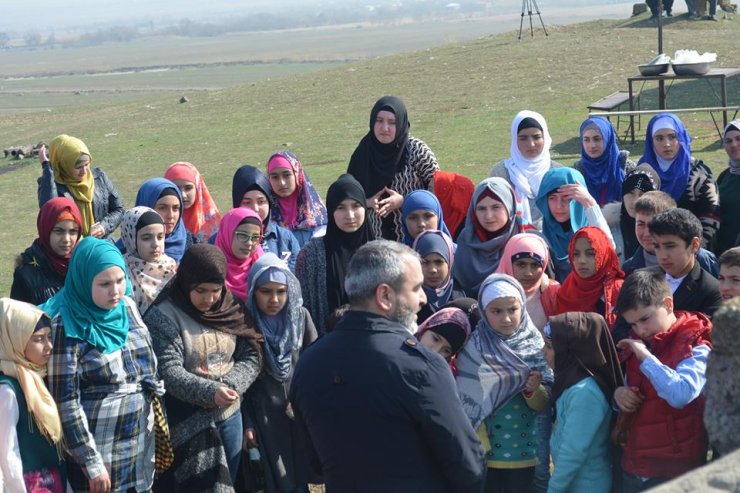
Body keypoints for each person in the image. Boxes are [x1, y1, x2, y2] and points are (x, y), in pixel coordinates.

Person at [289, 240, 486, 492]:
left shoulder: (309, 363)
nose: (424, 299)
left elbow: (316, 463)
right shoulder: (421, 367)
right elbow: (468, 466)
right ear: (385, 295)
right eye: (416, 288)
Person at [44, 236, 163, 493]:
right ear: (84, 282)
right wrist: (91, 461)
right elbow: (65, 400)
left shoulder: (127, 307)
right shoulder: (66, 325)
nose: (116, 291)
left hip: (139, 440)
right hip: (100, 449)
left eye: (120, 281)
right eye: (105, 284)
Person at [143, 244, 262, 490]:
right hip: (186, 422)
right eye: (200, 291)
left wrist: (229, 386)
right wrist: (210, 392)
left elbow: (251, 353)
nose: (209, 299)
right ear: (186, 283)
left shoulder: (232, 310)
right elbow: (168, 370)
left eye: (215, 290)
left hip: (229, 416)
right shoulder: (164, 315)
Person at [614, 269, 712, 491]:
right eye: (633, 324)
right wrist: (619, 395)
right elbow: (631, 387)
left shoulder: (695, 342)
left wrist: (646, 357)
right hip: (636, 462)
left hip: (676, 468)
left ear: (668, 304)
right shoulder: (638, 342)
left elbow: (682, 394)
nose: (640, 329)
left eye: (645, 319)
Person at [456, 273, 552, 493]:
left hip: (523, 451)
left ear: (523, 308)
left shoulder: (534, 345)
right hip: (484, 452)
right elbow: (466, 401)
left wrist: (532, 389)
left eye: (512, 310)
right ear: (483, 310)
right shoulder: (474, 348)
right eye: (496, 311)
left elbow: (541, 404)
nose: (506, 318)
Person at [242, 253, 319, 492]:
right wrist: (246, 422)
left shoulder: (300, 317)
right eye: (265, 291)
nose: (274, 299)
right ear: (253, 290)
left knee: (302, 475)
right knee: (275, 478)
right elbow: (239, 381)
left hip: (296, 412)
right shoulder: (245, 324)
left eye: (281, 291)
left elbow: (314, 364)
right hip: (263, 416)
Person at [542, 312, 623, 493]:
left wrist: (553, 489)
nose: (543, 352)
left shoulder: (585, 393)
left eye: (549, 346)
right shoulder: (571, 381)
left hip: (586, 485)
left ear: (571, 350)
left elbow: (573, 453)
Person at [347, 95, 439, 241]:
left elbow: (440, 190)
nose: (385, 128)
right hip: (376, 241)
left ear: (401, 123)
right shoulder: (363, 153)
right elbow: (348, 196)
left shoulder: (417, 151)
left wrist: (405, 201)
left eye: (392, 122)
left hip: (417, 238)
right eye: (379, 121)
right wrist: (367, 202)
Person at [0, 298, 65, 493]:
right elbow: (7, 454)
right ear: (14, 341)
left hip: (51, 482)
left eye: (49, 337)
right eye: (38, 339)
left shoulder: (37, 377)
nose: (49, 346)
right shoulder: (7, 390)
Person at [296, 174, 373, 335]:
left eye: (356, 206)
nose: (350, 215)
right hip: (328, 345)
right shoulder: (312, 254)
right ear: (330, 211)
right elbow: (306, 311)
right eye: (341, 207)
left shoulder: (382, 253)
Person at [638, 113, 719, 248]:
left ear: (681, 137)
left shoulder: (699, 173)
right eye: (659, 138)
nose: (667, 144)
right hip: (647, 254)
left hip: (690, 255)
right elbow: (632, 215)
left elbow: (711, 217)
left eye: (672, 137)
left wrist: (693, 252)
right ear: (651, 141)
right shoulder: (641, 173)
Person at [453, 177, 530, 298]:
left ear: (509, 207)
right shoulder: (466, 239)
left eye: (496, 207)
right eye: (481, 209)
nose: (488, 216)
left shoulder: (528, 240)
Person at [37, 134, 124, 238]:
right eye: (78, 167)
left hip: (103, 245)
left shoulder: (99, 177)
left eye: (87, 164)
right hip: (72, 250)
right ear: (64, 164)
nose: (84, 171)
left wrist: (104, 226)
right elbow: (49, 212)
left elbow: (119, 209)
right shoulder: (51, 185)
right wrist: (47, 168)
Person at [535, 167, 614, 282]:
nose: (559, 206)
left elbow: (609, 252)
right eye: (552, 198)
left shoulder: (593, 228)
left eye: (566, 198)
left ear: (578, 200)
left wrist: (590, 203)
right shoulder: (539, 236)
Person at [489, 110, 562, 226]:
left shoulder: (558, 172)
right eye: (523, 138)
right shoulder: (501, 172)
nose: (531, 144)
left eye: (536, 137)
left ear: (545, 137)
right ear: (515, 140)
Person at [621, 191, 718, 277]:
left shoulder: (702, 259)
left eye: (653, 225)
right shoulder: (629, 269)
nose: (647, 233)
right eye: (641, 224)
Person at [649, 208, 722, 318]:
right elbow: (622, 326)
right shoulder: (639, 279)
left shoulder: (712, 291)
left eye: (670, 246)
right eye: (656, 246)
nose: (663, 255)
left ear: (694, 245)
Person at [11, 197, 83, 305]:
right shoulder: (26, 274)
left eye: (73, 232)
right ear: (45, 230)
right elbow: (17, 319)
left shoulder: (85, 264)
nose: (66, 239)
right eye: (59, 231)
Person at [231, 165, 300, 271]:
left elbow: (294, 280)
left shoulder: (285, 239)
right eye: (247, 202)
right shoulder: (223, 240)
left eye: (261, 201)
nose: (255, 208)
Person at [555, 226, 625, 330]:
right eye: (576, 254)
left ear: (603, 254)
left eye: (591, 254)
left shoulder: (619, 290)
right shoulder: (566, 292)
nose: (582, 261)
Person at [495, 232, 560, 332]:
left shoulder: (552, 292)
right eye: (521, 265)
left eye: (535, 265)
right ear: (508, 262)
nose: (528, 273)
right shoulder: (493, 293)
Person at [119, 206, 177, 315]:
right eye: (146, 238)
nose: (155, 244)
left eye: (160, 237)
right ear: (131, 238)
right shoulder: (122, 271)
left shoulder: (170, 266)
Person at [266, 151, 328, 247]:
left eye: (287, 175)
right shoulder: (265, 216)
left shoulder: (317, 216)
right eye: (275, 177)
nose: (281, 183)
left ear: (297, 174)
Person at [572, 115, 635, 207]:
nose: (592, 145)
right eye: (586, 140)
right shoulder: (577, 171)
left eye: (597, 139)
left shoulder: (627, 167)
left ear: (607, 138)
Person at [130, 177, 189, 263]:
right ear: (146, 206)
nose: (171, 215)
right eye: (162, 208)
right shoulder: (120, 257)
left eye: (176, 208)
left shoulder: (190, 245)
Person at [164, 161, 222, 243]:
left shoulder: (213, 224)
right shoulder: (162, 223)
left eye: (188, 188)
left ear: (197, 189)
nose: (183, 195)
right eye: (176, 188)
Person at [215, 207, 265, 302]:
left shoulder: (262, 269)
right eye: (242, 235)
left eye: (255, 237)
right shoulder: (210, 267)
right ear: (227, 233)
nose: (249, 243)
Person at [412, 229, 462, 324]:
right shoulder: (408, 300)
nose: (432, 270)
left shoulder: (460, 299)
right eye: (425, 262)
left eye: (439, 262)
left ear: (450, 262)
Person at [616, 164, 661, 261]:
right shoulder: (610, 229)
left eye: (642, 194)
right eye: (631, 193)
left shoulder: (667, 232)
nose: (635, 200)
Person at [415, 307, 471, 375]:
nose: (435, 351)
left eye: (446, 351)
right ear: (425, 329)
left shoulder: (443, 380)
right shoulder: (400, 344)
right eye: (435, 339)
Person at [714, 120, 740, 255]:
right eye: (728, 141)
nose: (734, 144)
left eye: (738, 138)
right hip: (725, 253)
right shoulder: (724, 176)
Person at [433, 170, 475, 241]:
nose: (427, 192)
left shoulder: (469, 235)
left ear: (446, 195)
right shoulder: (430, 219)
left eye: (431, 189)